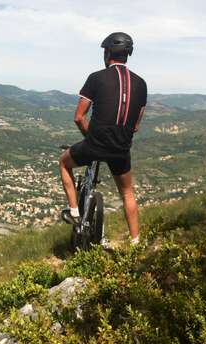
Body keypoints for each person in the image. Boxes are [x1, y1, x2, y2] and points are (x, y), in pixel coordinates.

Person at [60, 32, 147, 246]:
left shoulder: (96, 78)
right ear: (128, 54)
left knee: (64, 162)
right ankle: (136, 243)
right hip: (121, 149)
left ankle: (74, 212)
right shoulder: (141, 84)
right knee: (127, 193)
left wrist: (91, 138)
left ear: (108, 53)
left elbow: (79, 117)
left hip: (95, 145)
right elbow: (135, 125)